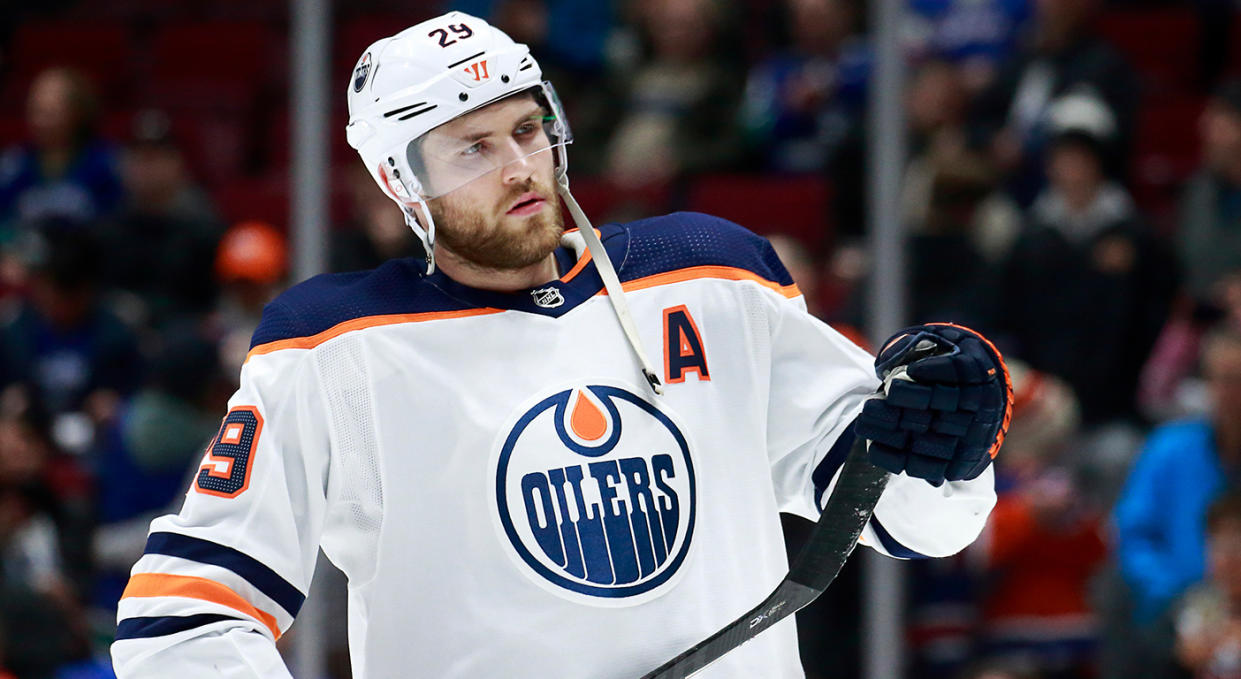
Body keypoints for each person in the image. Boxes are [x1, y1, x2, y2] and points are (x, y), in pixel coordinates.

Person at [110, 13, 1009, 678]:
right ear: (399, 182)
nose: (516, 167)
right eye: (469, 148)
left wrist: (944, 443)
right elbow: (179, 621)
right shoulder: (336, 350)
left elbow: (917, 521)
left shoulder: (708, 276)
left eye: (527, 129)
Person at [1113, 325, 1241, 678]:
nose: (1233, 393)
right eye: (1224, 380)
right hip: (1175, 604)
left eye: (1240, 380)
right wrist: (1176, 594)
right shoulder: (1170, 448)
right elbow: (1133, 535)